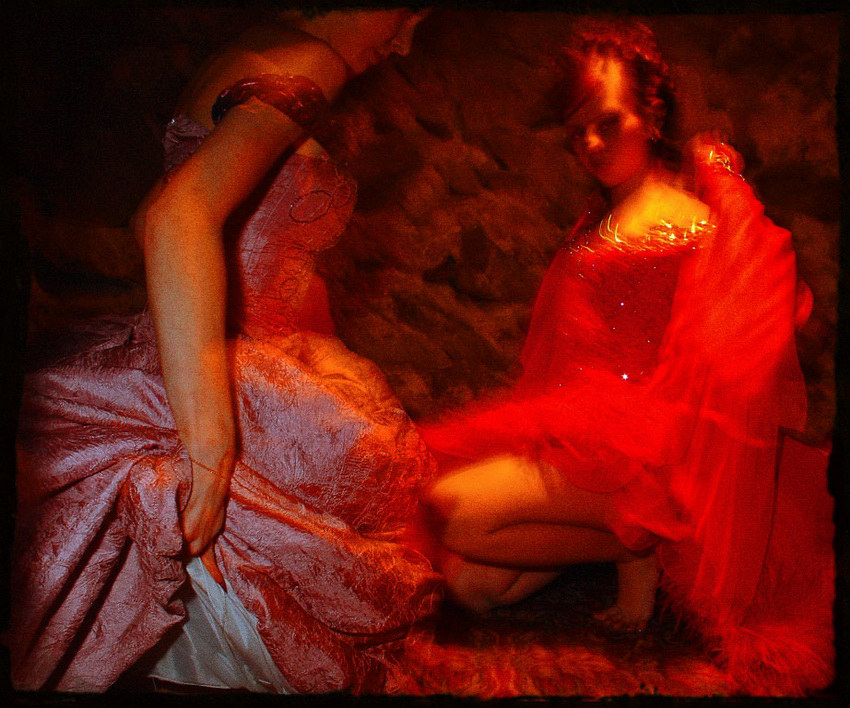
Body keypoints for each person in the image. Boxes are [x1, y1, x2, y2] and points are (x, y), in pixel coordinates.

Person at [11, 7, 440, 694]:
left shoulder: (254, 48)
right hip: (237, 358)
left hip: (254, 348)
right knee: (369, 463)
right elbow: (172, 216)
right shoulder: (311, 61)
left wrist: (305, 348)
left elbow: (150, 212)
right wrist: (211, 448)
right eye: (406, 11)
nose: (405, 41)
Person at [420, 19, 833, 696]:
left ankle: (643, 541)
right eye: (577, 131)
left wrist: (723, 177)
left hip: (651, 449)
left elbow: (733, 333)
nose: (590, 143)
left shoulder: (693, 221)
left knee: (454, 509)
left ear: (653, 116)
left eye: (607, 123)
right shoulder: (594, 224)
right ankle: (632, 542)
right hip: (585, 441)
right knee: (470, 586)